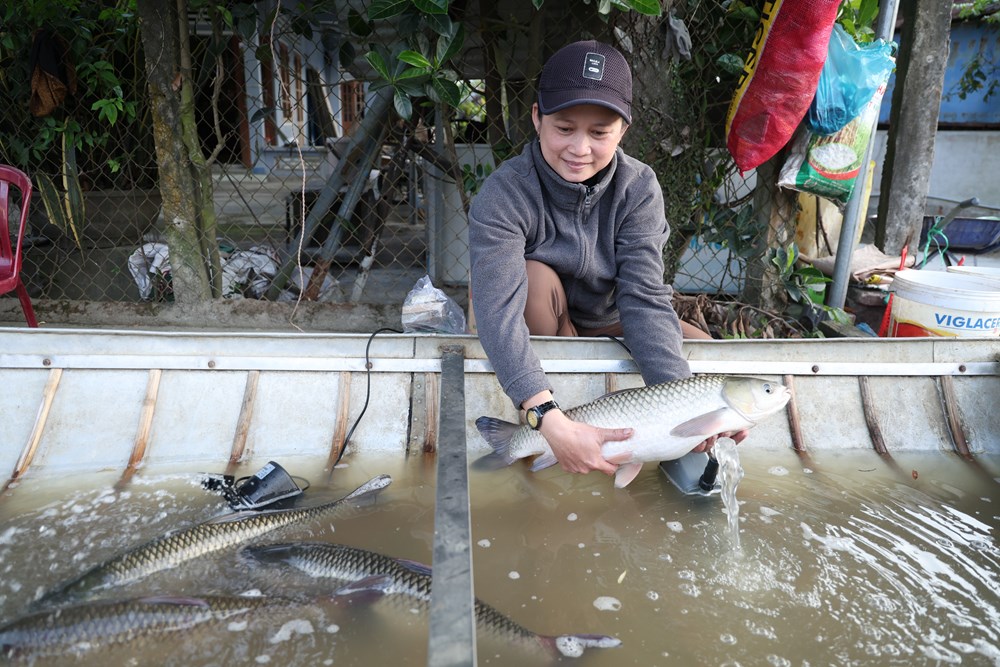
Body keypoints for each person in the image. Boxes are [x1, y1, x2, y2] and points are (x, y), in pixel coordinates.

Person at [469, 39, 745, 479]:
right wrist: (545, 415)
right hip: (547, 318)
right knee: (532, 279)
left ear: (623, 130)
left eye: (599, 132)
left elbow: (643, 297)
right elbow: (495, 313)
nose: (580, 147)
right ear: (537, 118)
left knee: (707, 369)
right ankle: (550, 424)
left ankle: (683, 457)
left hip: (616, 316)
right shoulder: (504, 194)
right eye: (564, 127)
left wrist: (693, 410)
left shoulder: (639, 187)